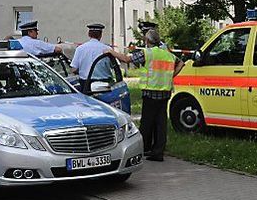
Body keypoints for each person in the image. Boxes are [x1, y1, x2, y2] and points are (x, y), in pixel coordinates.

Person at [138, 28, 184, 162]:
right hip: (164, 92)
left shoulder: (148, 53)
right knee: (160, 123)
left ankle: (142, 149)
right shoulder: (167, 54)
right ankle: (158, 152)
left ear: (147, 41)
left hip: (150, 92)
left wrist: (111, 52)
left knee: (146, 123)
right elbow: (181, 63)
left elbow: (127, 59)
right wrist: (171, 76)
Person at [70, 23, 130, 91]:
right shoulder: (107, 49)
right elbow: (114, 66)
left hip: (86, 85)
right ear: (101, 35)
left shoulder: (80, 49)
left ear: (89, 34)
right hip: (104, 84)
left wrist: (84, 71)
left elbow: (74, 69)